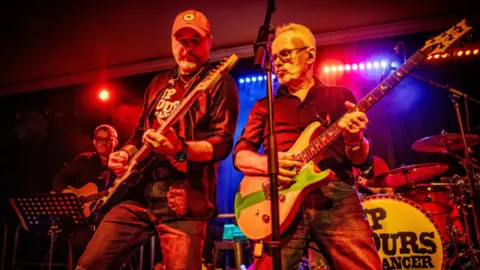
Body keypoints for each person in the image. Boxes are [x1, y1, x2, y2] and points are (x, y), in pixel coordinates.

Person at [76, 9, 239, 270]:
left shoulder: (219, 82)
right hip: (136, 193)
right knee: (89, 264)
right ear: (172, 43)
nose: (187, 48)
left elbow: (222, 143)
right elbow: (140, 133)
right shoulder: (158, 83)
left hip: (183, 198)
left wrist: (180, 149)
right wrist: (126, 154)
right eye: (181, 41)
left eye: (195, 41)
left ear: (209, 41)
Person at [233, 23, 381, 269]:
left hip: (334, 195)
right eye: (274, 57)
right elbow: (240, 156)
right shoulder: (265, 105)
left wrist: (355, 140)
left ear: (310, 54)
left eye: (285, 54)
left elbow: (360, 161)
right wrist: (267, 163)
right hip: (279, 201)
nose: (278, 62)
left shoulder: (338, 95)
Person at [51, 124, 118, 267]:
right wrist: (66, 192)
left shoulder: (121, 164)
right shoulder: (84, 160)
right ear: (94, 141)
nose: (103, 142)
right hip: (82, 223)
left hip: (108, 221)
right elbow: (59, 178)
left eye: (108, 139)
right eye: (98, 139)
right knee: (81, 243)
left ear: (115, 142)